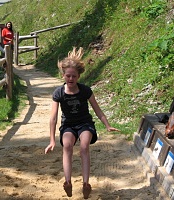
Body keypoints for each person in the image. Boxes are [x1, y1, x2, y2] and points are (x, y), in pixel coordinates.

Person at [44, 47, 120, 199]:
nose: (70, 79)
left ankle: (86, 183)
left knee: (84, 145)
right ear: (63, 76)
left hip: (85, 123)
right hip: (68, 125)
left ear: (79, 76)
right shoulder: (58, 93)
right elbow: (53, 117)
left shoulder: (85, 91)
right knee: (67, 145)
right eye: (68, 76)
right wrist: (52, 140)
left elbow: (97, 110)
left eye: (74, 76)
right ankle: (67, 181)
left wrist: (107, 124)